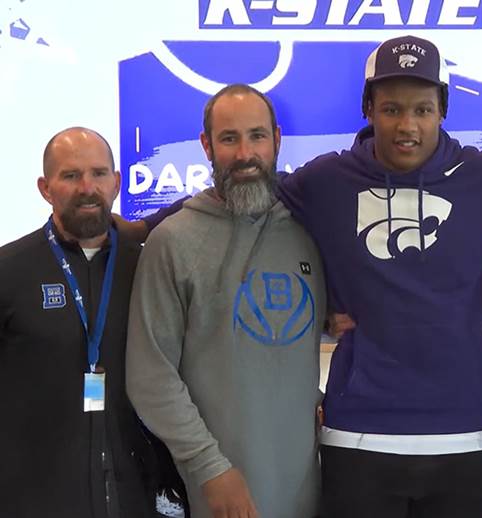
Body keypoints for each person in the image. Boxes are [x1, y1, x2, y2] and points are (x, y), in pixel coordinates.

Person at [124, 36, 482, 517]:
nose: (407, 125)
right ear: (369, 110)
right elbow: (243, 186)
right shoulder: (327, 181)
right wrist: (141, 226)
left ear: (442, 111)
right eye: (392, 108)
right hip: (358, 436)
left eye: (422, 109)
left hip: (464, 435)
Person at [125, 84, 326, 518]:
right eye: (229, 138)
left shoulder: (309, 233)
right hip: (218, 492)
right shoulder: (173, 242)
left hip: (306, 490)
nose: (244, 153)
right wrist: (209, 469)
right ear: (206, 146)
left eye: (256, 136)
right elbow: (150, 378)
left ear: (277, 139)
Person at [0, 127, 160, 517]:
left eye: (99, 174)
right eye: (70, 176)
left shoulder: (148, 267)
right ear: (45, 187)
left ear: (117, 182)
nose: (87, 187)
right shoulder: (9, 270)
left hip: (135, 493)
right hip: (33, 497)